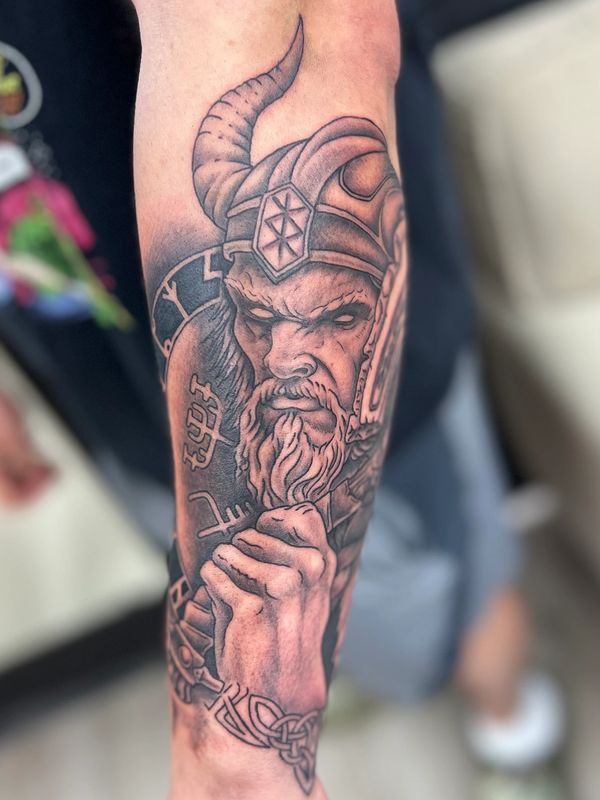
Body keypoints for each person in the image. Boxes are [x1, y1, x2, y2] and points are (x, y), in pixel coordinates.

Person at [133, 2, 406, 796]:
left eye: (338, 318)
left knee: (433, 621)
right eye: (259, 318)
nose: (285, 360)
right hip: (125, 378)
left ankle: (512, 725)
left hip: (399, 445)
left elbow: (322, 39)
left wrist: (239, 759)